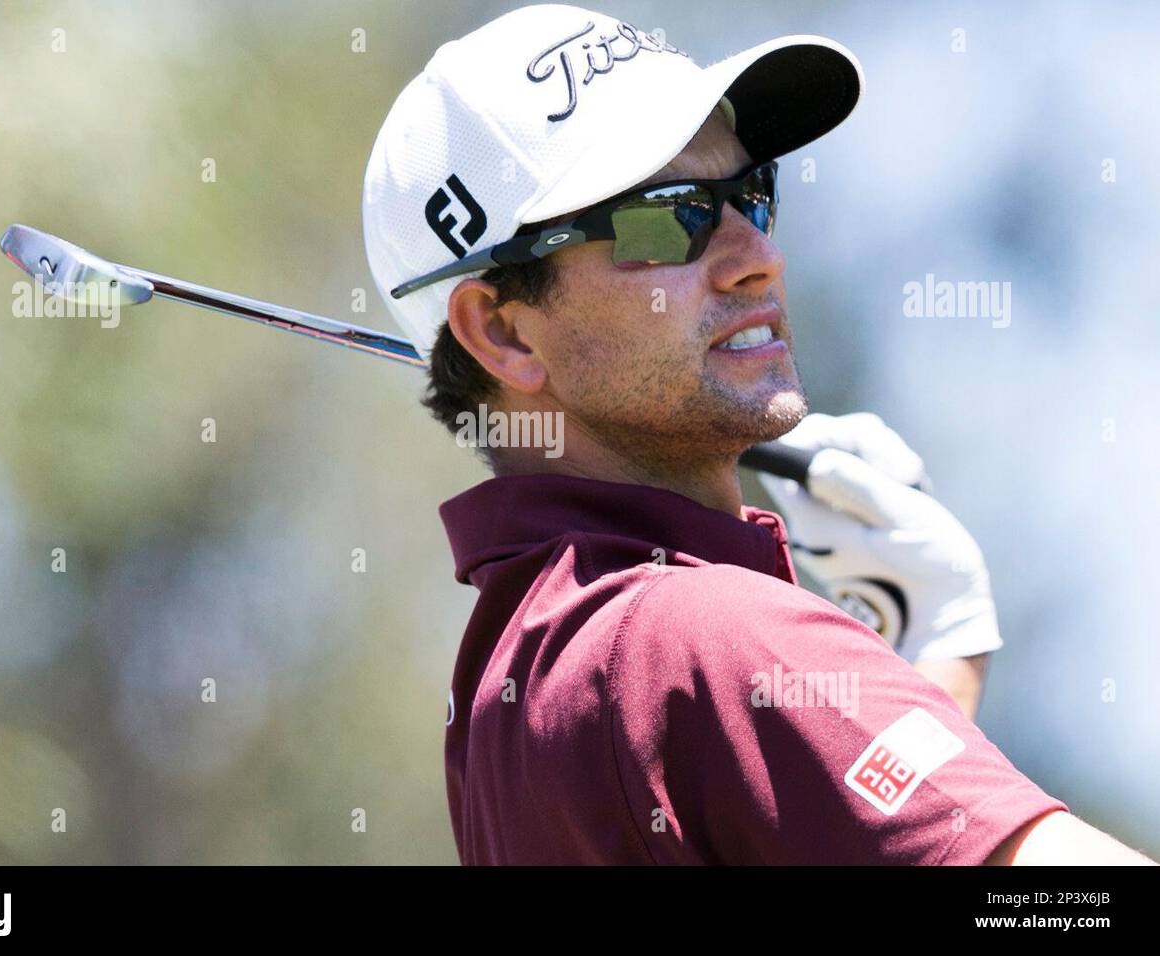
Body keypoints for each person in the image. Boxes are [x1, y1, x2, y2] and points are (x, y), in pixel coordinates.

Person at [362, 3, 1154, 865]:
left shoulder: (513, 693)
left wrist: (927, 667)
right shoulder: (704, 637)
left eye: (748, 194)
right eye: (665, 217)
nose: (756, 254)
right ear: (505, 333)